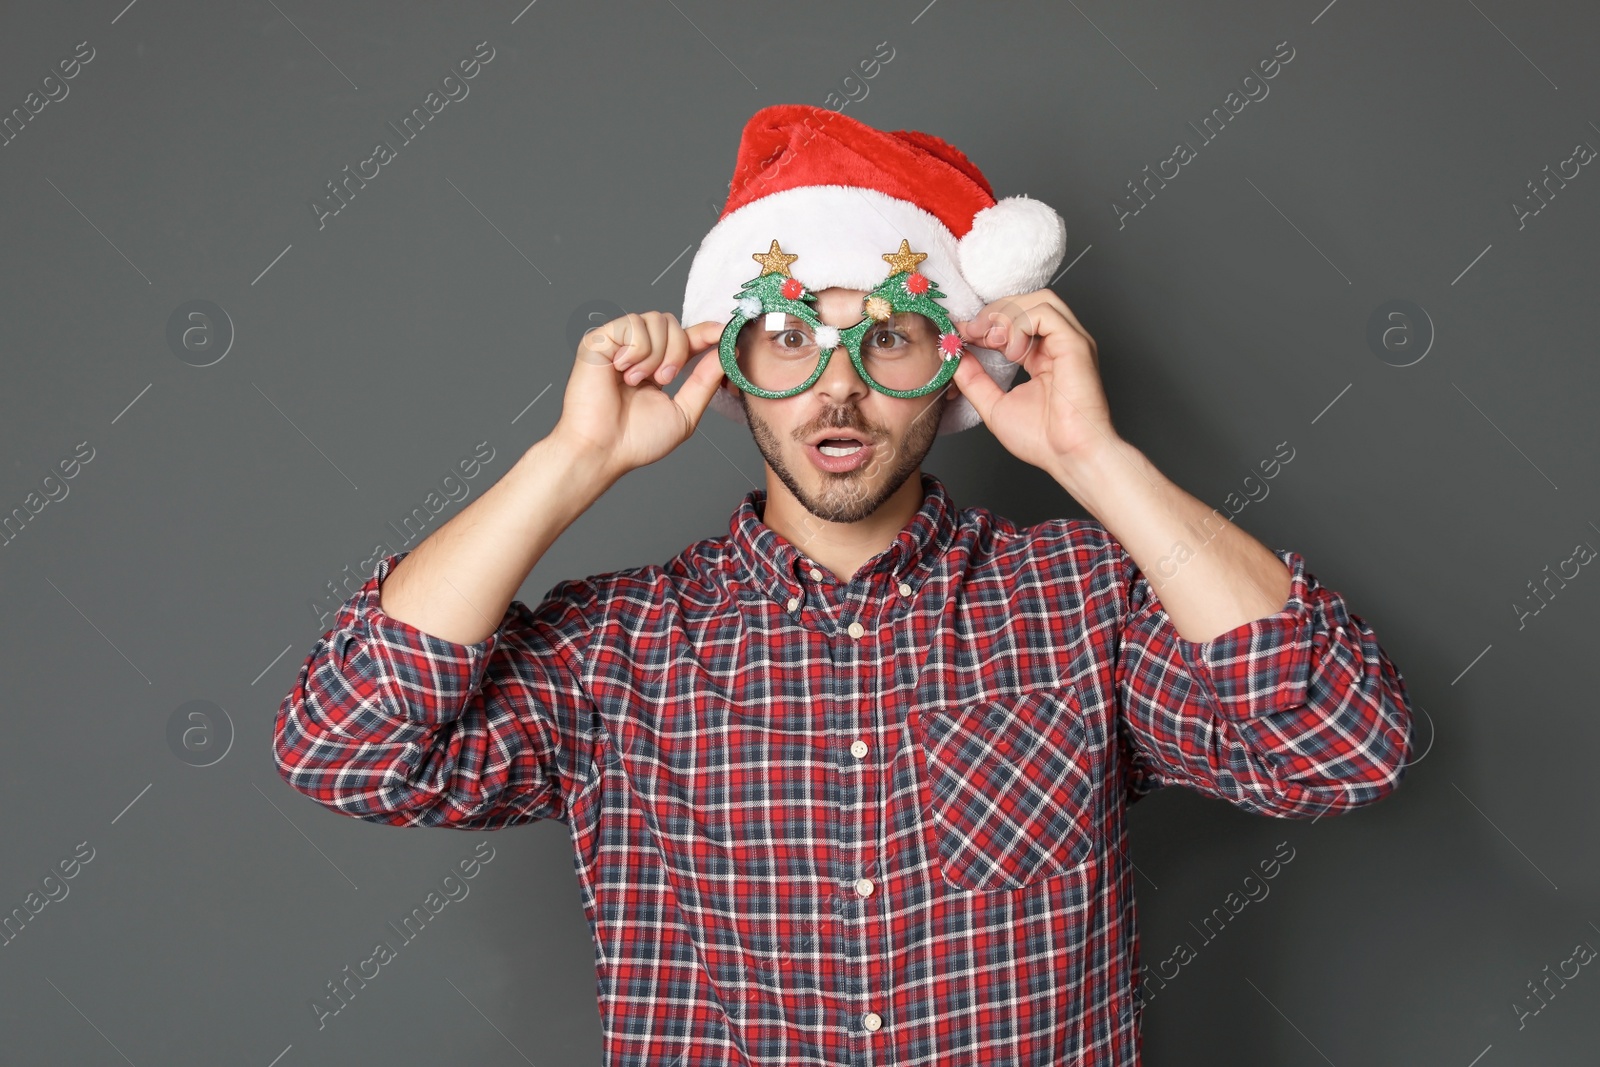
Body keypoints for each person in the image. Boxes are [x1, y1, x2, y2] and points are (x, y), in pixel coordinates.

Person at [274, 104, 1414, 1065]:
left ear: (957, 366)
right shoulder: (615, 647)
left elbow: (1341, 747)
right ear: (731, 369)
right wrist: (569, 465)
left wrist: (1092, 461)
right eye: (786, 338)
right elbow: (344, 746)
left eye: (891, 340)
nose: (839, 391)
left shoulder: (1087, 603)